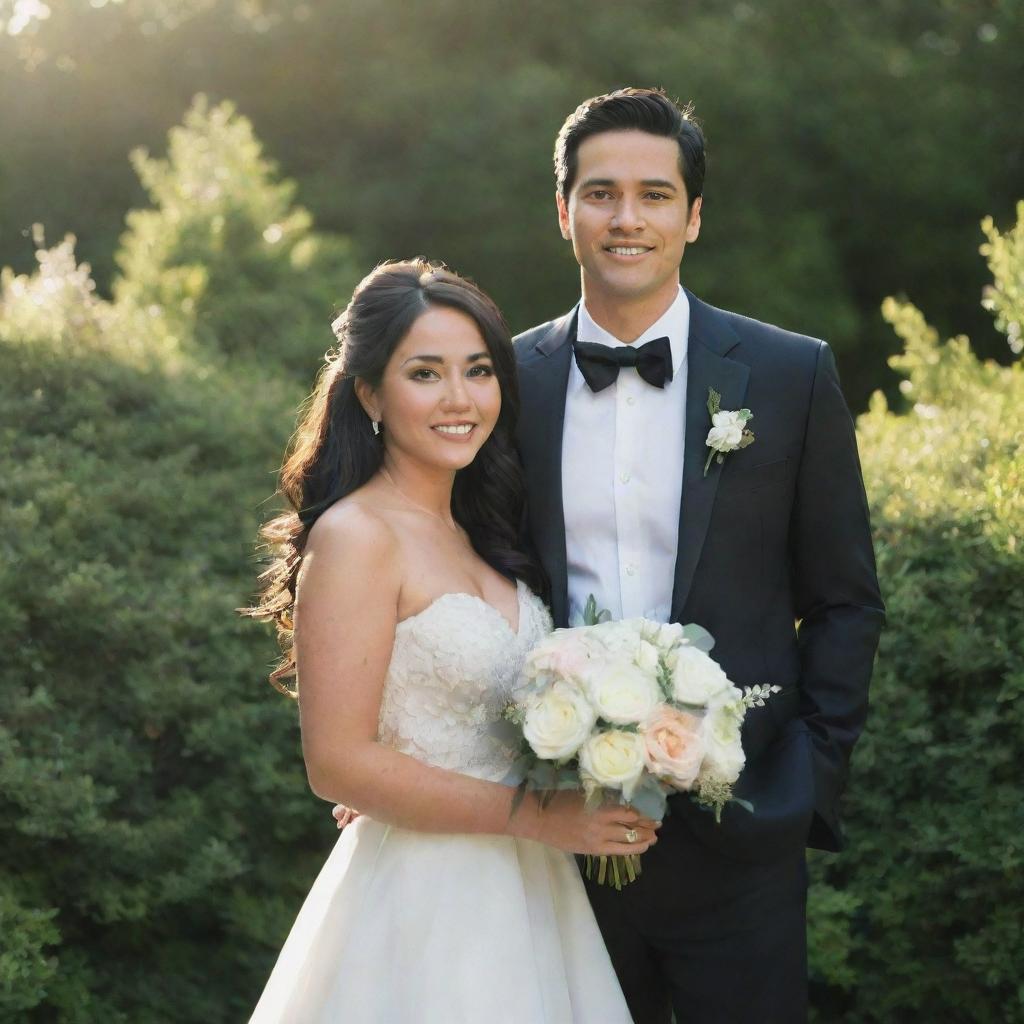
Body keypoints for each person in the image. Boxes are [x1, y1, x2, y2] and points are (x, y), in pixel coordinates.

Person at [509, 87, 886, 1022]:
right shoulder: (504, 384)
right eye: (600, 193)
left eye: (655, 194)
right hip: (558, 835)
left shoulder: (792, 375)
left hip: (743, 833)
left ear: (695, 214)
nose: (626, 218)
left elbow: (845, 597)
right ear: (563, 212)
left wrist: (805, 779)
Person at [245, 259, 652, 1022]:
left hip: (535, 891)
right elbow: (337, 762)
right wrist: (540, 817)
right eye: (425, 374)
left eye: (478, 371)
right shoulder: (357, 536)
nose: (460, 399)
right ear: (369, 393)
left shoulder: (483, 530)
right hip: (425, 901)